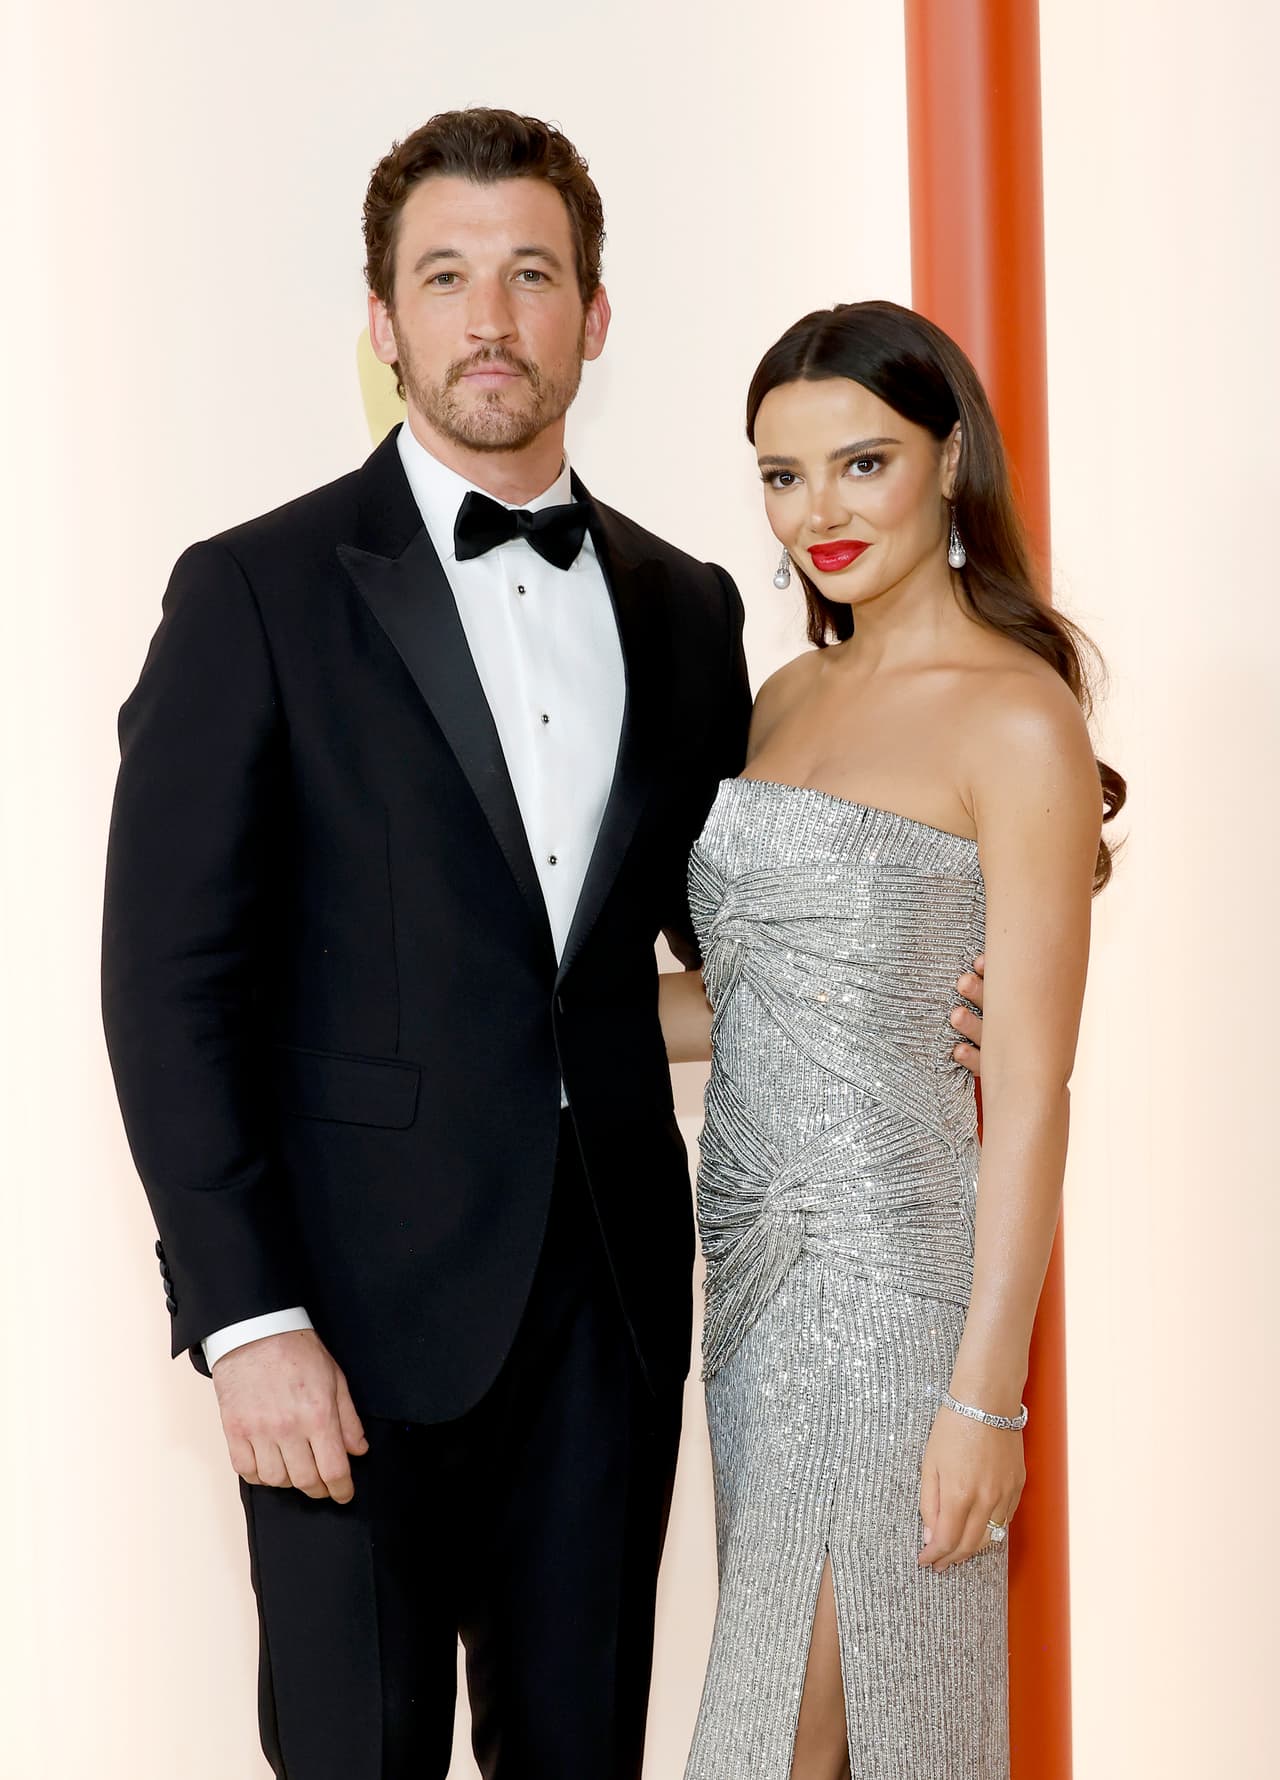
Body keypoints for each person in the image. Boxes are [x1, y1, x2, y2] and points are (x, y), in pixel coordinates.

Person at [100, 110, 986, 1777]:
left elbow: (727, 949)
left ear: (595, 312)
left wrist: (918, 987)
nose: (491, 319)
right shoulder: (253, 593)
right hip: (340, 1322)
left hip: (611, 1319)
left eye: (531, 273)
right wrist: (247, 1320)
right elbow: (167, 988)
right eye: (445, 278)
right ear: (383, 322)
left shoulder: (688, 605)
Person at [659, 300, 1124, 1780]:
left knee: (789, 1743)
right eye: (783, 476)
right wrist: (485, 1016)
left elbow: (1032, 1088)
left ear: (950, 459)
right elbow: (752, 1000)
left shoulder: (1017, 720)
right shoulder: (783, 700)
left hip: (896, 1304)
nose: (822, 513)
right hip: (748, 1298)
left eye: (863, 463)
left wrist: (987, 1396)